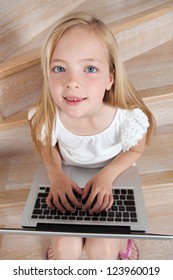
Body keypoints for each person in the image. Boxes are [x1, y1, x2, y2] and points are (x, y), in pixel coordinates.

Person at [28, 12, 155, 260]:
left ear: (110, 79)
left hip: (114, 177)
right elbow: (46, 145)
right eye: (59, 68)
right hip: (69, 177)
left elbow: (136, 150)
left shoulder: (126, 119)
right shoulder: (49, 117)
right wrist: (56, 174)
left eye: (90, 68)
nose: (72, 82)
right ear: (47, 74)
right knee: (65, 253)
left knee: (102, 252)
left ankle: (117, 241)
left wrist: (106, 176)